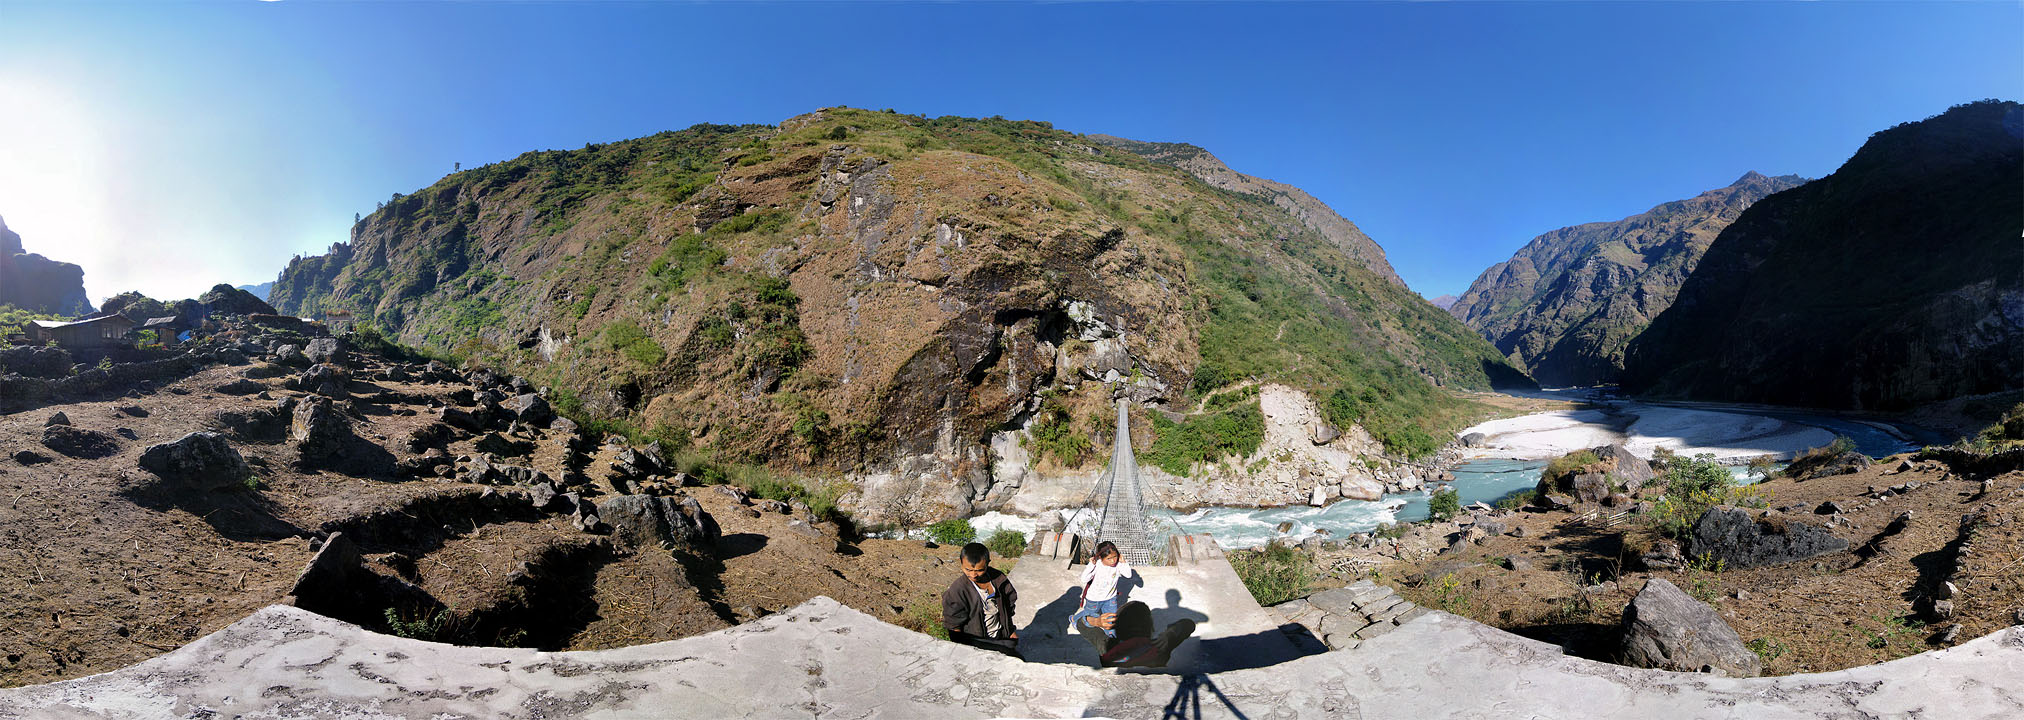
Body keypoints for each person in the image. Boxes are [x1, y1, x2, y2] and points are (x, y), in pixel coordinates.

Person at [942, 542, 1021, 659]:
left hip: (1000, 635)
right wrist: (961, 651)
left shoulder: (999, 579)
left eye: (979, 570)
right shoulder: (958, 590)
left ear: (988, 563)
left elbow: (1008, 607)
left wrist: (1010, 630)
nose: (973, 575)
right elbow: (954, 625)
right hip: (978, 641)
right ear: (961, 563)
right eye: (968, 569)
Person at [1076, 600, 1196, 668]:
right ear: (1149, 626)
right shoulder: (1160, 647)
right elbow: (1189, 624)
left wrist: (1096, 621)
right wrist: (1171, 633)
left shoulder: (1108, 646)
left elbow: (1080, 624)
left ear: (1118, 627)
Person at [1070, 541, 1137, 638]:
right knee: (1089, 615)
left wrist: (1123, 562)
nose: (1113, 560)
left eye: (1115, 557)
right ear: (1101, 558)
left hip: (1110, 598)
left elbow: (1128, 575)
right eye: (1109, 558)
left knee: (1111, 618)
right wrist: (1090, 566)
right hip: (1094, 599)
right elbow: (1084, 579)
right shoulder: (1097, 565)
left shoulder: (1118, 565)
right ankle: (1074, 619)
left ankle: (1111, 636)